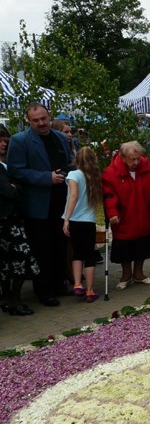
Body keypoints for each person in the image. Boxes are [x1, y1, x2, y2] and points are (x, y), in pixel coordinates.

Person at [7, 102, 73, 306]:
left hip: (61, 200)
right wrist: (46, 178)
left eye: (44, 118)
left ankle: (59, 283)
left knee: (60, 244)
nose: (41, 123)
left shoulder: (60, 137)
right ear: (29, 121)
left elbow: (68, 161)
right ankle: (43, 290)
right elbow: (16, 171)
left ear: (49, 116)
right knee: (41, 249)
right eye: (36, 120)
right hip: (38, 204)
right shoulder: (20, 141)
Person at [102, 141, 150, 290]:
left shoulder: (147, 165)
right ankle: (126, 274)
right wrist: (112, 213)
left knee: (143, 242)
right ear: (122, 157)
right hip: (124, 216)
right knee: (124, 246)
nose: (136, 162)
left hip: (143, 212)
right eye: (132, 159)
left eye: (138, 158)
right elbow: (109, 195)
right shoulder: (111, 173)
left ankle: (139, 274)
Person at [0, 126, 39, 315]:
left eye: (4, 139)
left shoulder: (8, 163)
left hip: (13, 219)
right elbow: (10, 191)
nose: (3, 143)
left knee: (15, 261)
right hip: (6, 221)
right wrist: (15, 188)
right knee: (16, 261)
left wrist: (15, 187)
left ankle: (11, 299)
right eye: (0, 140)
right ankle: (10, 299)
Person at [62, 147, 102, 303]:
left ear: (76, 160)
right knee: (89, 256)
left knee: (77, 254)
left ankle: (78, 284)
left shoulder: (73, 175)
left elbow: (73, 197)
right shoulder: (94, 177)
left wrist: (66, 218)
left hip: (75, 221)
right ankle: (90, 291)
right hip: (89, 221)